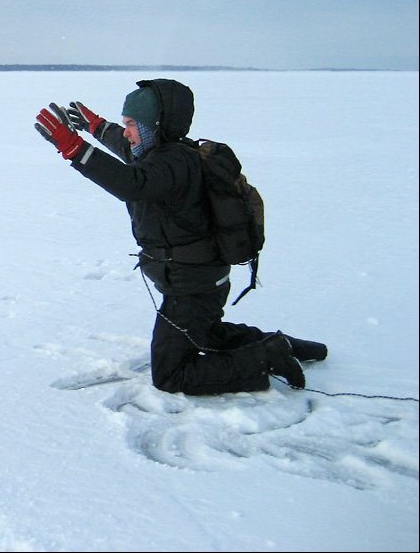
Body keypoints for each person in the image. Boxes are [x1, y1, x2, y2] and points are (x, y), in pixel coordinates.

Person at [34, 79, 327, 395]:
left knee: (171, 375)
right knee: (205, 333)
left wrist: (75, 148)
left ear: (155, 126)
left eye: (131, 124)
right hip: (200, 278)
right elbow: (130, 151)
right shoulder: (166, 153)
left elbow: (132, 183)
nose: (127, 132)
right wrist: (98, 127)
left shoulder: (171, 164)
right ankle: (284, 345)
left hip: (191, 285)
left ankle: (266, 356)